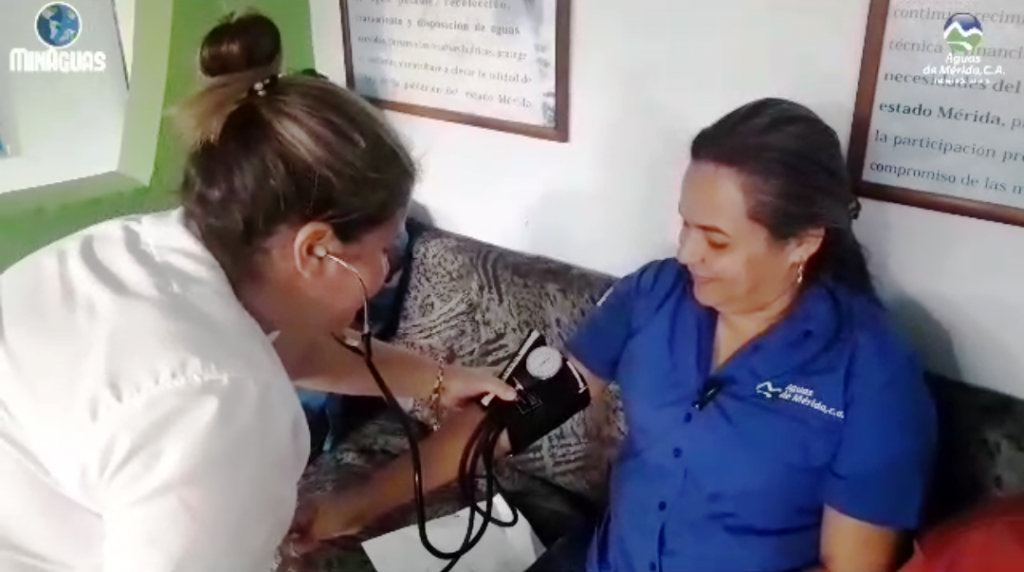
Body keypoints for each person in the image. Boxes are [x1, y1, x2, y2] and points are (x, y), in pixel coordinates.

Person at [299, 99, 938, 572]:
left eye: (716, 240)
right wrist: (357, 504)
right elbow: (517, 412)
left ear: (802, 243)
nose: (686, 253)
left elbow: (852, 568)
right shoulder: (656, 295)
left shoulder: (872, 374)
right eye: (686, 224)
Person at [0, 12, 515, 572]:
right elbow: (220, 383)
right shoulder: (224, 407)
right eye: (384, 248)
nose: (389, 267)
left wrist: (442, 380)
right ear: (316, 250)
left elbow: (291, 348)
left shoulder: (148, 249)